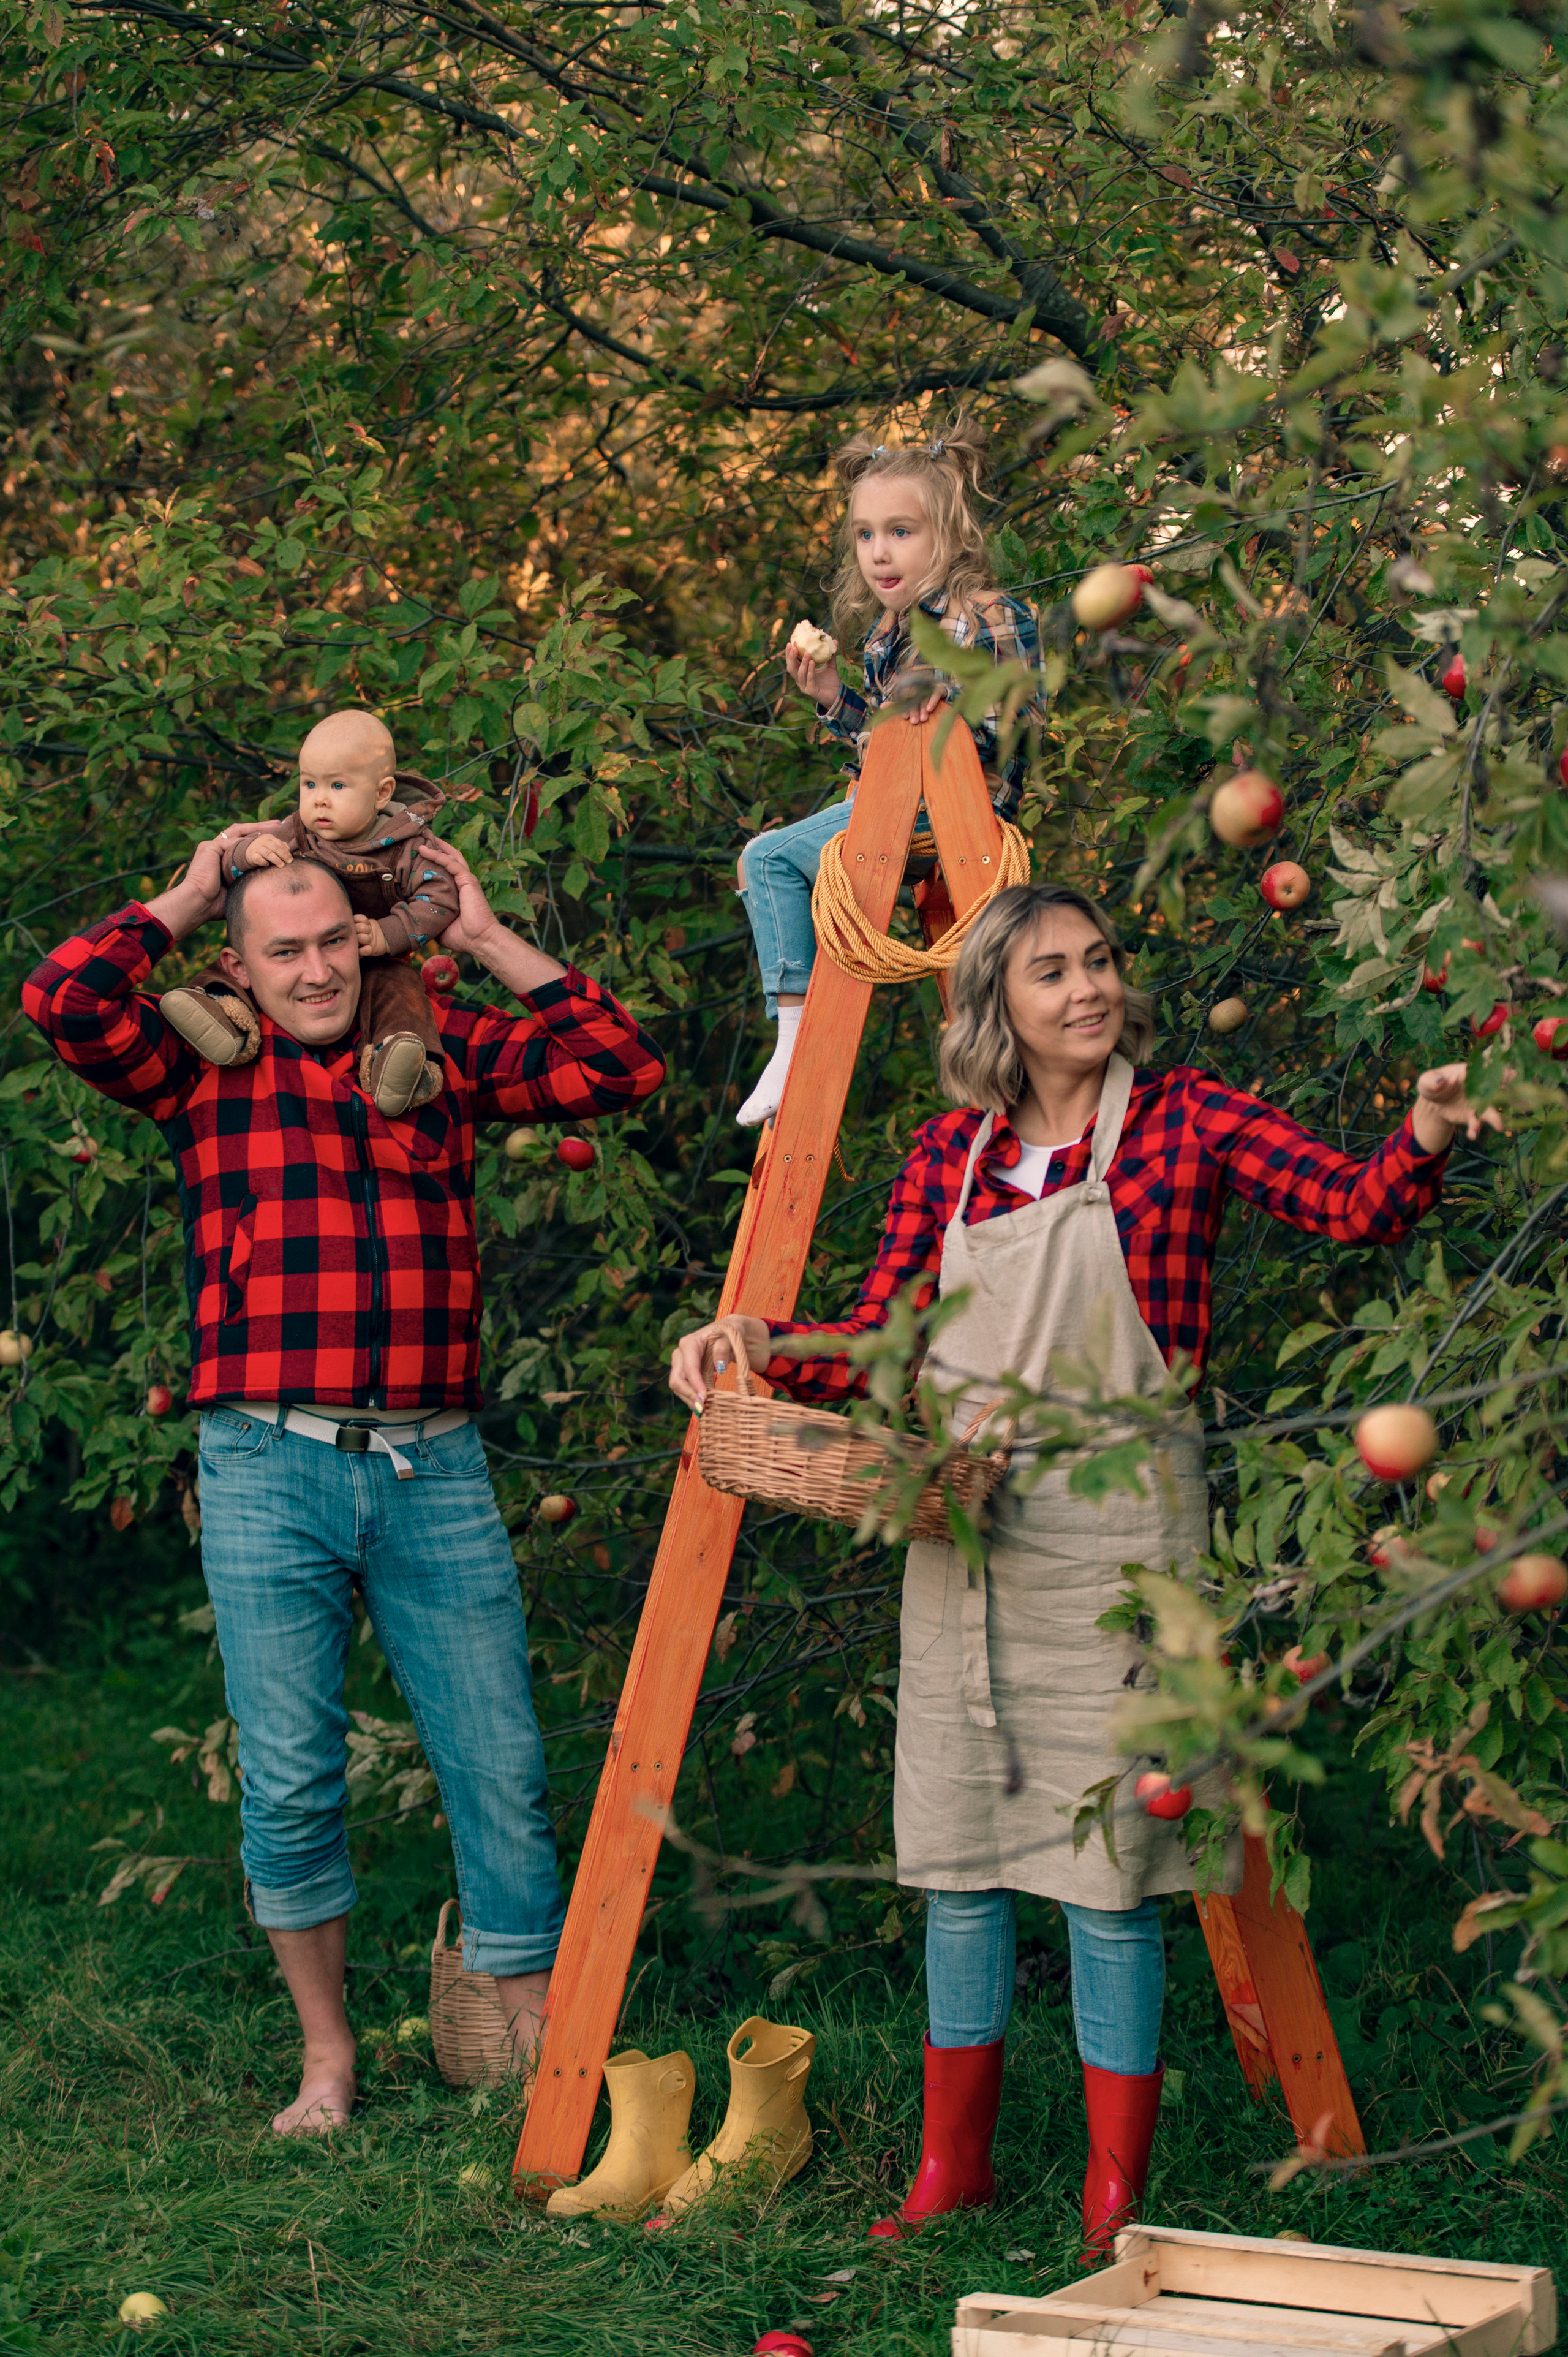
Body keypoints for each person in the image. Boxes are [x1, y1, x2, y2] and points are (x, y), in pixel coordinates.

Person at [670, 882, 1494, 2257]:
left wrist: (1413, 1130)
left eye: (1099, 963)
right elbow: (887, 1336)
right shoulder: (948, 1154)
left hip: (1124, 1539)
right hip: (967, 1528)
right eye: (1050, 973)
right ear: (996, 1004)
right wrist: (757, 1335)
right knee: (961, 1864)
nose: (1087, 990)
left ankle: (1113, 2194)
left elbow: (1349, 1209)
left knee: (1114, 1867)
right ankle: (952, 2169)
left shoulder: (1187, 1118)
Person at [25, 833, 665, 2135]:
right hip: (265, 1461)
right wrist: (191, 891)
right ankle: (328, 2056)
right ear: (241, 966)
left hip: (432, 1461)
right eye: (281, 951)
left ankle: (529, 2030)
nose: (314, 971)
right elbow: (63, 998)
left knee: (497, 1760)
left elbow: (620, 1064)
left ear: (366, 936)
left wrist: (476, 936)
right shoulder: (200, 1071)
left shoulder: (431, 1052)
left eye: (332, 942)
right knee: (292, 1774)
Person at [736, 413, 1049, 1127]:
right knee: (774, 862)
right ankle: (792, 1043)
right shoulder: (887, 634)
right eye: (866, 535)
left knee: (768, 859)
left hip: (951, 814)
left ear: (950, 536)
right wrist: (833, 699)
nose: (880, 553)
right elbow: (880, 754)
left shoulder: (985, 615)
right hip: (902, 807)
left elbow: (1011, 724)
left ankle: (790, 1043)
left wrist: (953, 697)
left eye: (901, 532)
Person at [159, 708, 462, 1119]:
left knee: (401, 993)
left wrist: (390, 932)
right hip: (309, 949)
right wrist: (245, 853)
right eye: (309, 784)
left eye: (337, 785)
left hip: (375, 955)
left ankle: (400, 1062)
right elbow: (234, 861)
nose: (319, 798)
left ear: (382, 792)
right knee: (255, 958)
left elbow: (441, 896)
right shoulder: (300, 831)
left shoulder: (408, 846)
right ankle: (217, 1010)